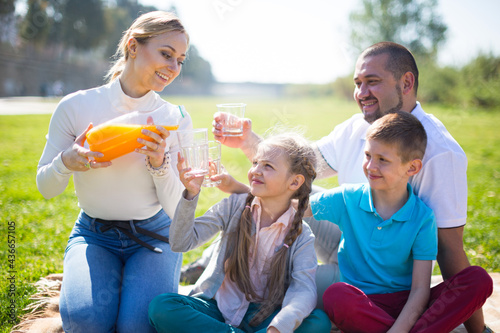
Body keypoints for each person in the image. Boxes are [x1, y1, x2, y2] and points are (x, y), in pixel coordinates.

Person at [208, 41, 492, 332]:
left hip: (400, 275)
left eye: (372, 82)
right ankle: (211, 269)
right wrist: (247, 141)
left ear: (406, 82)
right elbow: (294, 171)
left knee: (477, 279)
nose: (361, 93)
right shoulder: (357, 128)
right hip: (351, 255)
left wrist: (477, 328)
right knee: (295, 204)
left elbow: (449, 249)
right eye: (358, 83)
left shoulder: (440, 153)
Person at [36, 11, 191, 333]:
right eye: (166, 54)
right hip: (94, 235)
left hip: (156, 237)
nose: (173, 68)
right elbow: (45, 188)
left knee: (137, 327)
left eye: (180, 60)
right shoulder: (76, 107)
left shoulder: (173, 118)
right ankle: (101, 280)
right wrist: (66, 162)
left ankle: (130, 285)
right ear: (133, 46)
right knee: (85, 322)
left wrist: (160, 164)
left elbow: (179, 210)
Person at [309, 111, 493, 333]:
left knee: (478, 279)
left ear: (412, 168)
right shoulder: (346, 198)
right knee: (336, 295)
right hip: (362, 304)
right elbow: (298, 208)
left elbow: (419, 291)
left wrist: (399, 329)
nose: (371, 166)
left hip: (408, 304)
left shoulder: (423, 218)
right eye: (368, 155)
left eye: (383, 160)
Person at [148, 134, 332, 333]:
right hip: (217, 307)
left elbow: (303, 290)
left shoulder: (302, 235)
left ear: (294, 182)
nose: (255, 171)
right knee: (162, 307)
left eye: (267, 166)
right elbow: (180, 243)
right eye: (255, 163)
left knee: (318, 322)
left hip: (266, 317)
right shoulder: (233, 207)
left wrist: (277, 328)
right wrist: (190, 194)